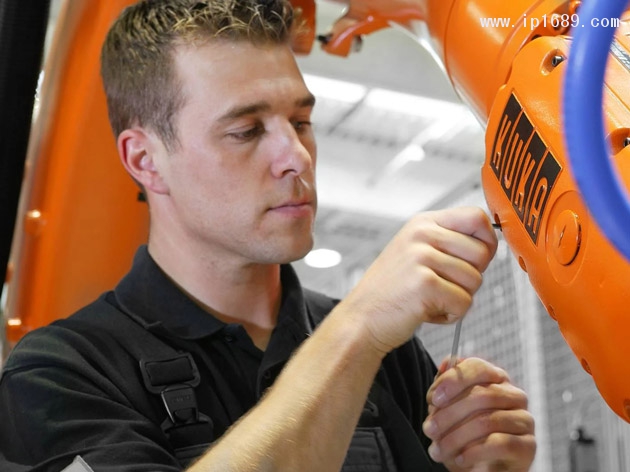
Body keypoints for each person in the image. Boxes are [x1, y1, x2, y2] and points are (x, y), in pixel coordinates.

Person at [0, 0, 536, 470]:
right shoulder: (60, 377)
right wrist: (357, 329)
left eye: (300, 122)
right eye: (247, 130)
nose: (297, 156)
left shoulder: (389, 357)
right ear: (145, 160)